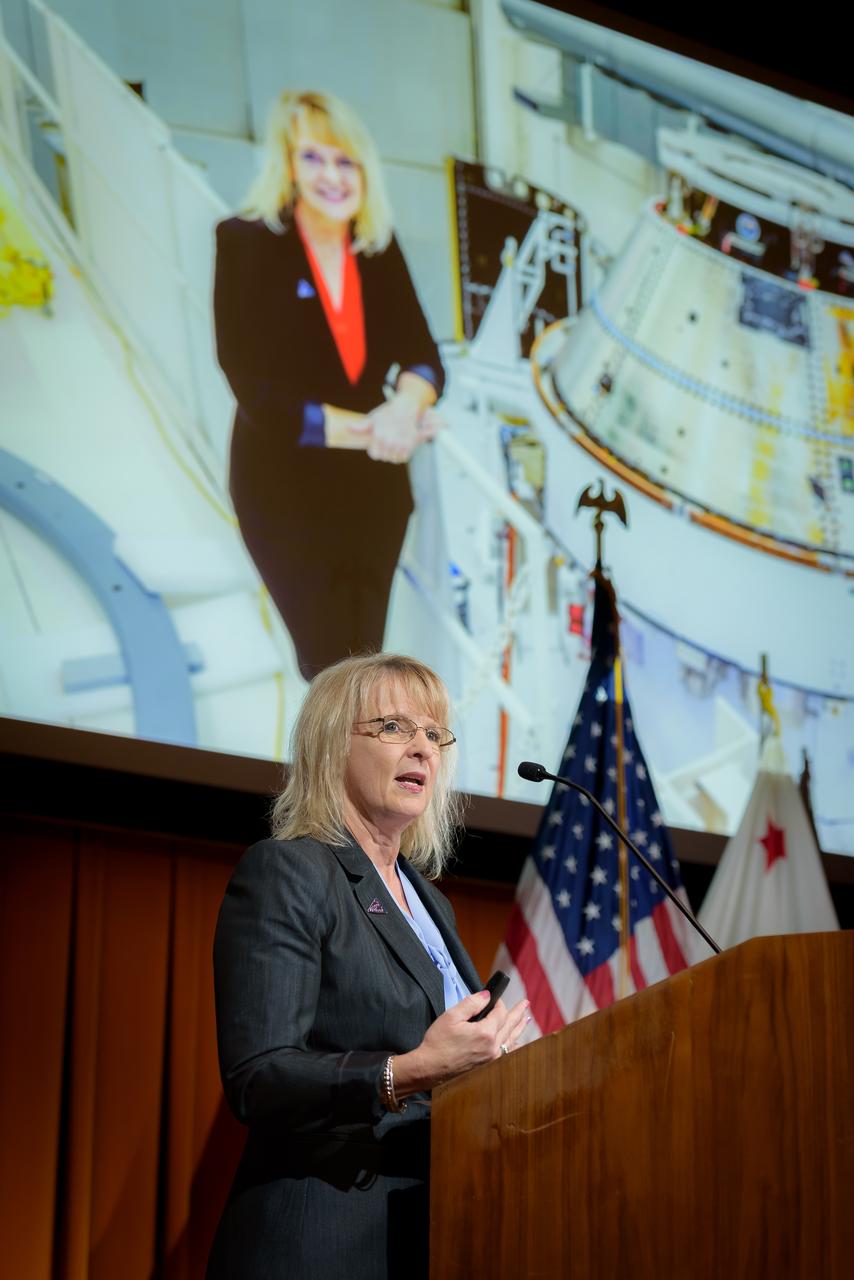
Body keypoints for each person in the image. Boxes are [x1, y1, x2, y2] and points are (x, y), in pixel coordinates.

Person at [206, 653, 528, 1279]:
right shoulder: (291, 871)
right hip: (321, 1240)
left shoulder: (429, 901)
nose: (422, 749)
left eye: (434, 734)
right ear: (332, 746)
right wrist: (406, 1071)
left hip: (428, 1234)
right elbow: (260, 1076)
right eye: (394, 727)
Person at [213, 91, 445, 680]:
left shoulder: (376, 247)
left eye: (346, 161)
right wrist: (379, 429)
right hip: (283, 492)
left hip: (372, 495)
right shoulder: (244, 244)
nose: (332, 177)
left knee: (365, 652)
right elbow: (254, 388)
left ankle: (353, 764)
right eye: (314, 158)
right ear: (287, 165)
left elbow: (423, 353)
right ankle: (328, 769)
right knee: (324, 661)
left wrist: (408, 405)